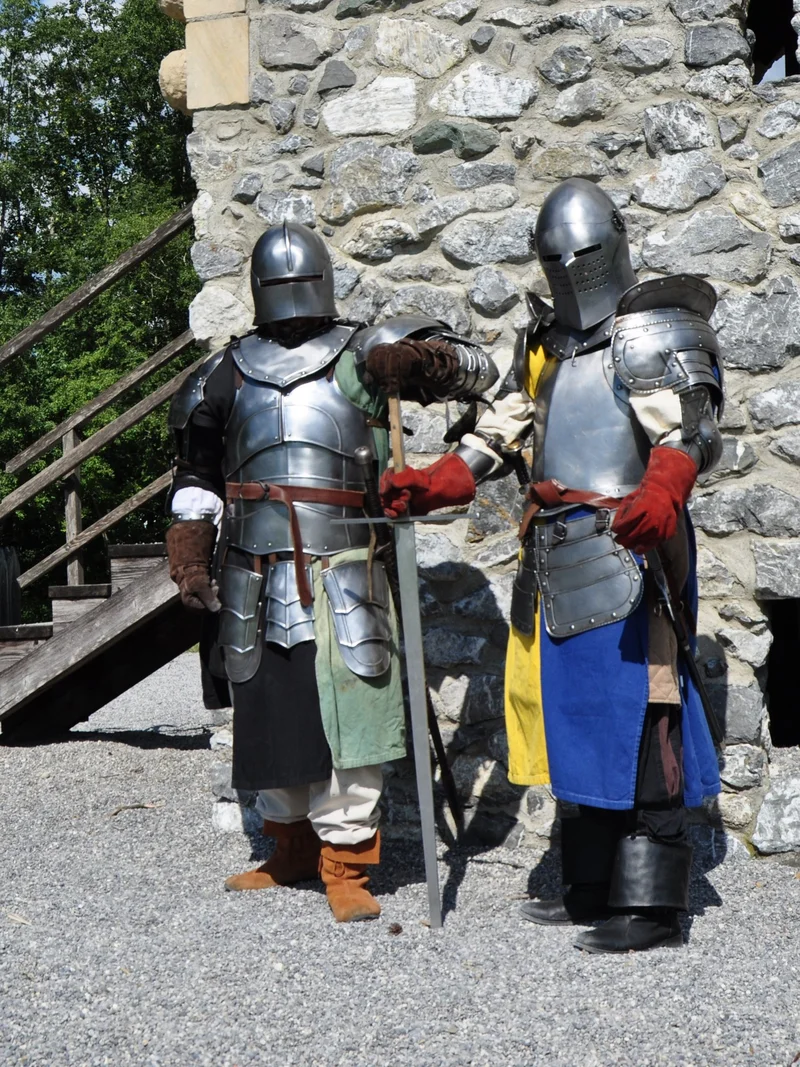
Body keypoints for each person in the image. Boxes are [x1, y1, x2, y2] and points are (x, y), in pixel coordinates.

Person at [380, 178, 724, 953]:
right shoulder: (541, 344)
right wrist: (439, 481)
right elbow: (501, 429)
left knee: (646, 714)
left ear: (615, 246)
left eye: (583, 255)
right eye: (554, 259)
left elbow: (694, 429)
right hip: (556, 553)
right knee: (574, 720)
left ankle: (650, 907)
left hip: (633, 548)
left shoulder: (653, 331)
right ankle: (590, 887)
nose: (571, 271)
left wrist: (666, 484)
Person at [165, 222, 497, 923]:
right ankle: (288, 849)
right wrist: (190, 547)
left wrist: (421, 362)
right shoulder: (225, 371)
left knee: (353, 717)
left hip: (347, 565)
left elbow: (480, 371)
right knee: (270, 713)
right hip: (253, 567)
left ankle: (346, 863)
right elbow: (195, 468)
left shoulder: (364, 353)